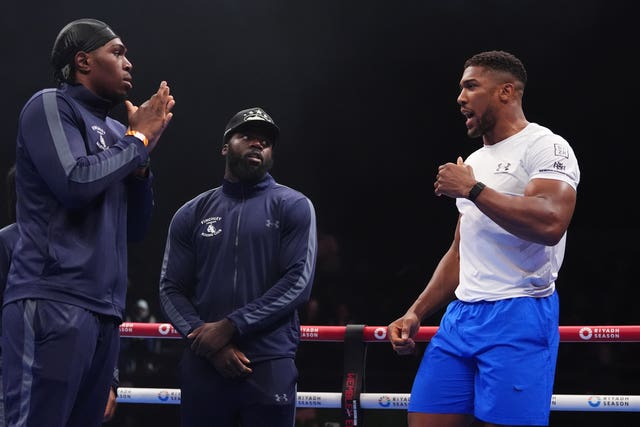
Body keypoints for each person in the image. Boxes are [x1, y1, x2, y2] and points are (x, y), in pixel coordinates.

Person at [388, 50, 580, 427]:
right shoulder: (475, 160)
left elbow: (551, 221)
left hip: (519, 311)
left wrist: (472, 188)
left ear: (506, 92)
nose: (460, 97)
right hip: (460, 317)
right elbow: (461, 251)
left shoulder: (546, 146)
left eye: (471, 86)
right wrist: (416, 311)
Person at [2, 18, 175, 427]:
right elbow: (74, 182)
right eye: (117, 53)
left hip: (105, 313)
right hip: (52, 298)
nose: (128, 63)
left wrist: (140, 165)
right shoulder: (49, 105)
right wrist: (138, 142)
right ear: (83, 61)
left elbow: (135, 229)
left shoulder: (119, 131)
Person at [159, 107, 317, 426]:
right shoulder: (191, 213)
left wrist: (230, 326)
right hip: (203, 363)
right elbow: (170, 288)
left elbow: (298, 282)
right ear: (225, 147)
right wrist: (204, 340)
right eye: (247, 136)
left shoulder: (293, 206)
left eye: (265, 141)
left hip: (268, 361)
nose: (257, 144)